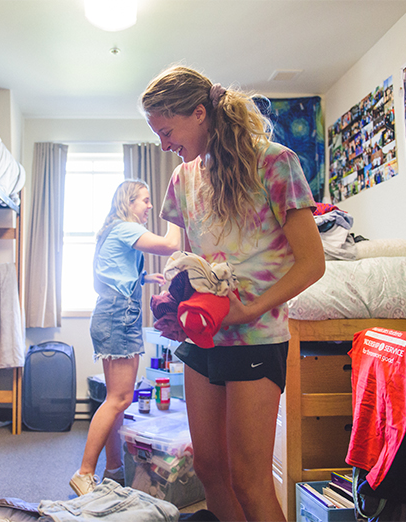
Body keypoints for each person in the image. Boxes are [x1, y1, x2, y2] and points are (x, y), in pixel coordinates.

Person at [140, 66, 325, 522]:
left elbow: (312, 263)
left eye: (167, 131)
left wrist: (250, 310)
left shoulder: (274, 162)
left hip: (256, 337)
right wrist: (173, 296)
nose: (163, 145)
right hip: (204, 337)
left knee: (248, 478)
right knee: (210, 469)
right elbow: (189, 260)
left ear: (199, 113)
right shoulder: (182, 180)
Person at [70, 179, 181, 496]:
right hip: (119, 315)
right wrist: (176, 210)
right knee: (119, 399)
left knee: (117, 400)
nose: (149, 206)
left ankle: (113, 471)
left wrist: (145, 277)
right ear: (128, 202)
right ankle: (85, 472)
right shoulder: (124, 227)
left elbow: (111, 271)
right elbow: (171, 244)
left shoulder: (114, 231)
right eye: (145, 200)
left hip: (112, 312)